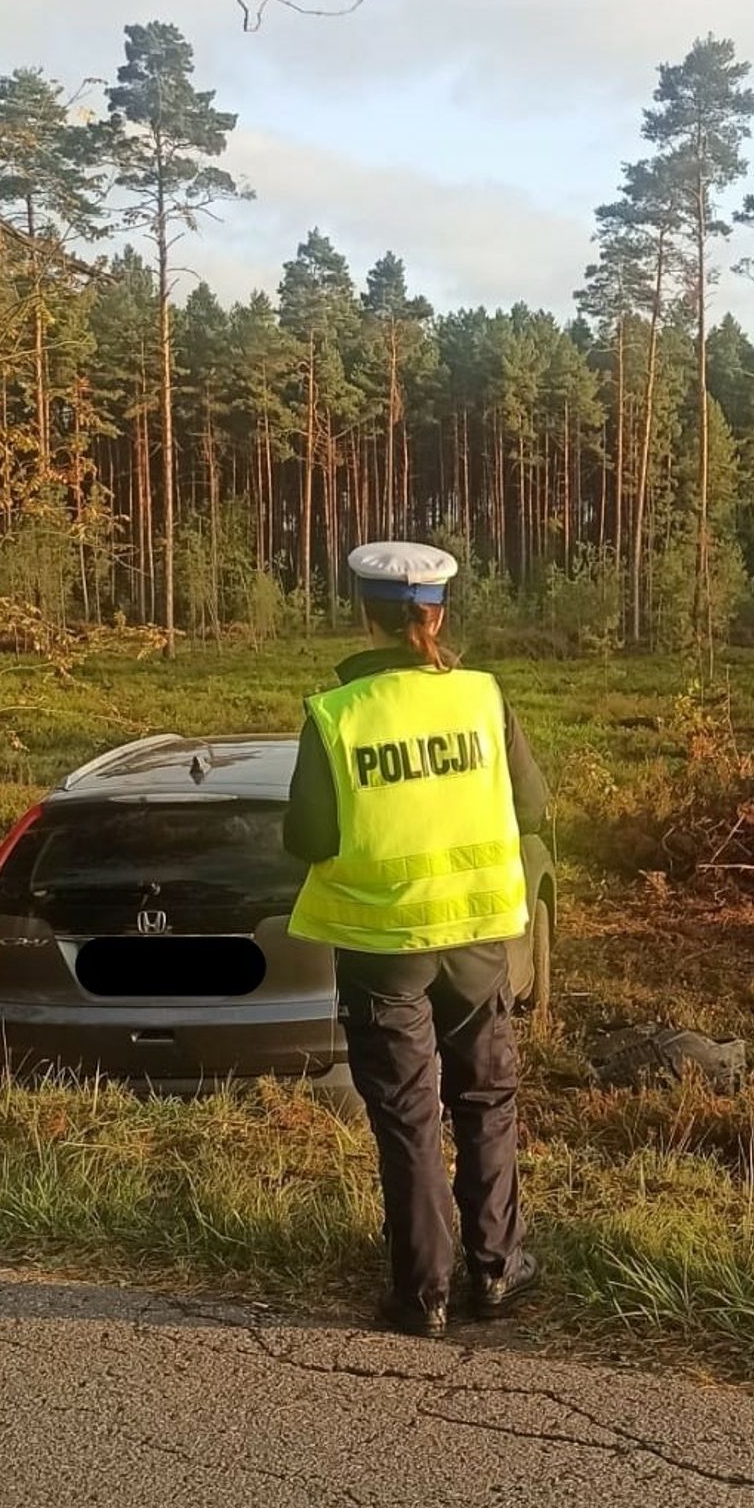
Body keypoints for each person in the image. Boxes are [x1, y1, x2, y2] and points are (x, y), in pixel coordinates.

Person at [284, 541, 548, 1340]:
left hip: (381, 943)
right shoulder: (481, 699)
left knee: (407, 1115)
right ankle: (497, 1270)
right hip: (474, 938)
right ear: (437, 614)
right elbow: (533, 807)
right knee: (484, 1099)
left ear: (364, 613)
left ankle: (421, 1295)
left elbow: (308, 837)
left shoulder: (335, 715)